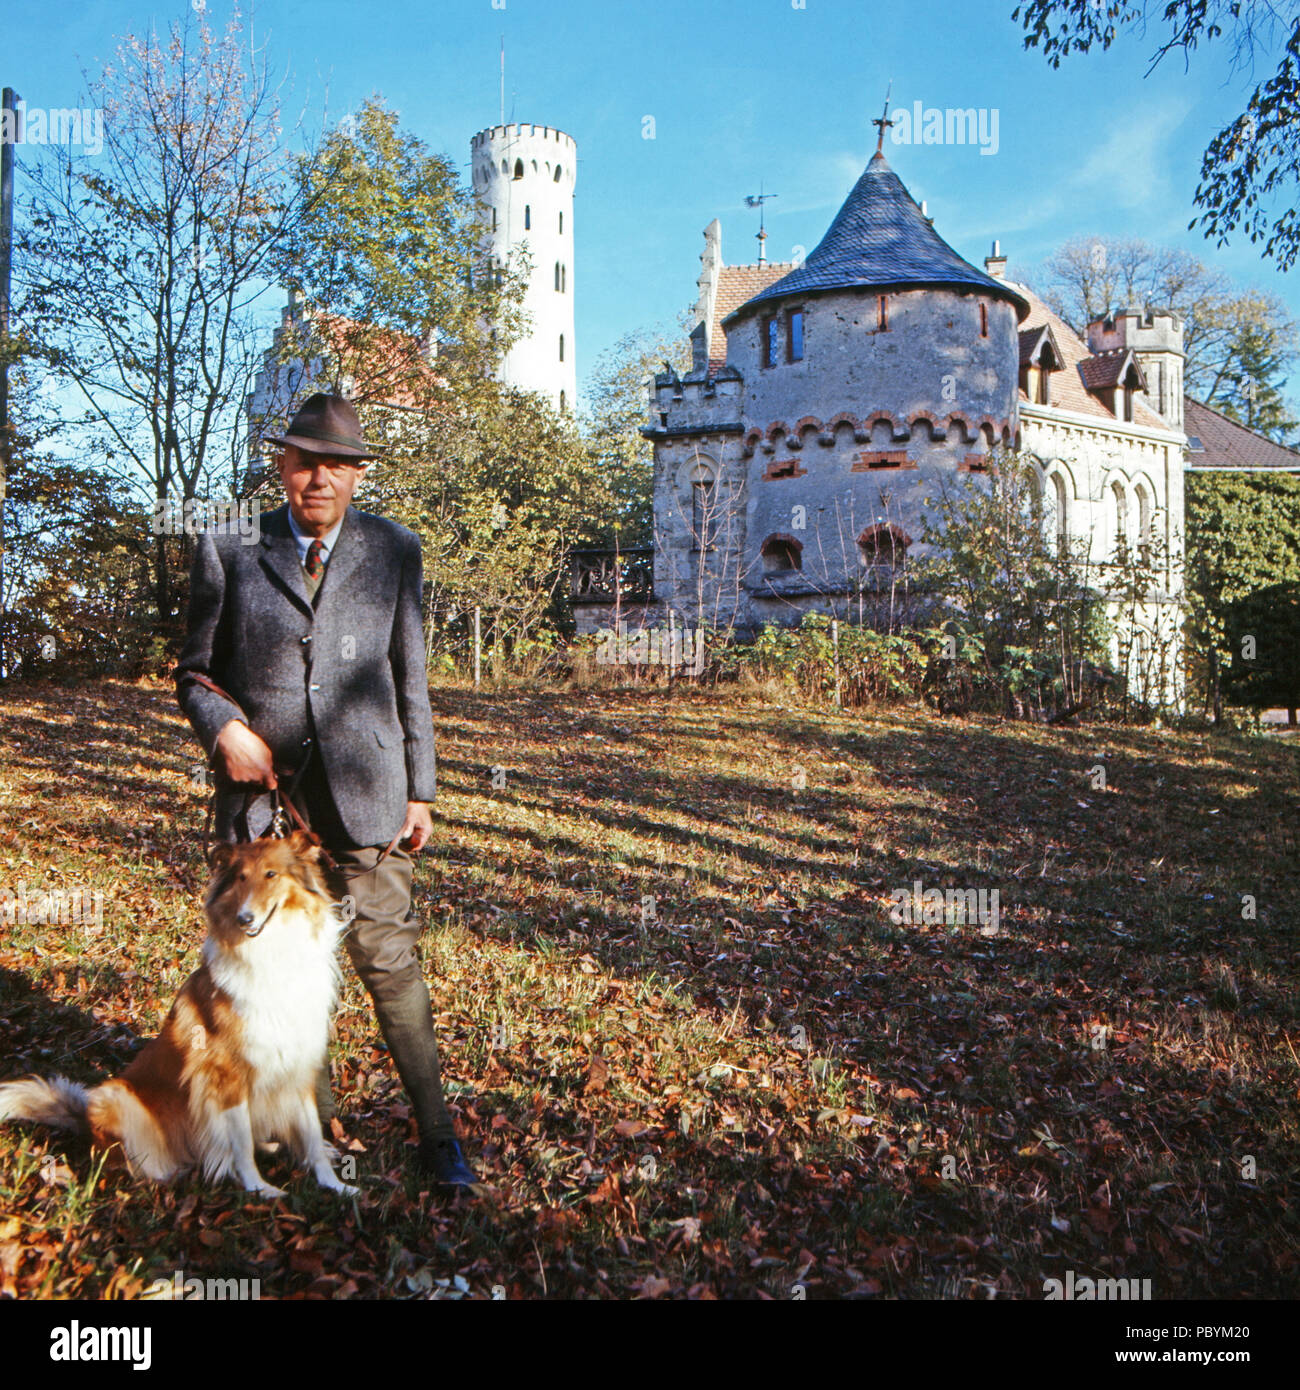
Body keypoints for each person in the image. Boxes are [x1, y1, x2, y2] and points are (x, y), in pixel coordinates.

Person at [175, 391, 477, 1190]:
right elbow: (193, 672)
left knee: (388, 958)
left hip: (370, 793)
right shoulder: (229, 545)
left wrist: (422, 790)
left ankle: (438, 1134)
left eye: (337, 465)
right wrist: (224, 730)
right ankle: (315, 1122)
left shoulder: (394, 550)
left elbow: (412, 678)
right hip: (265, 810)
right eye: (306, 461)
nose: (319, 479)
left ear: (357, 475)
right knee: (280, 967)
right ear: (282, 465)